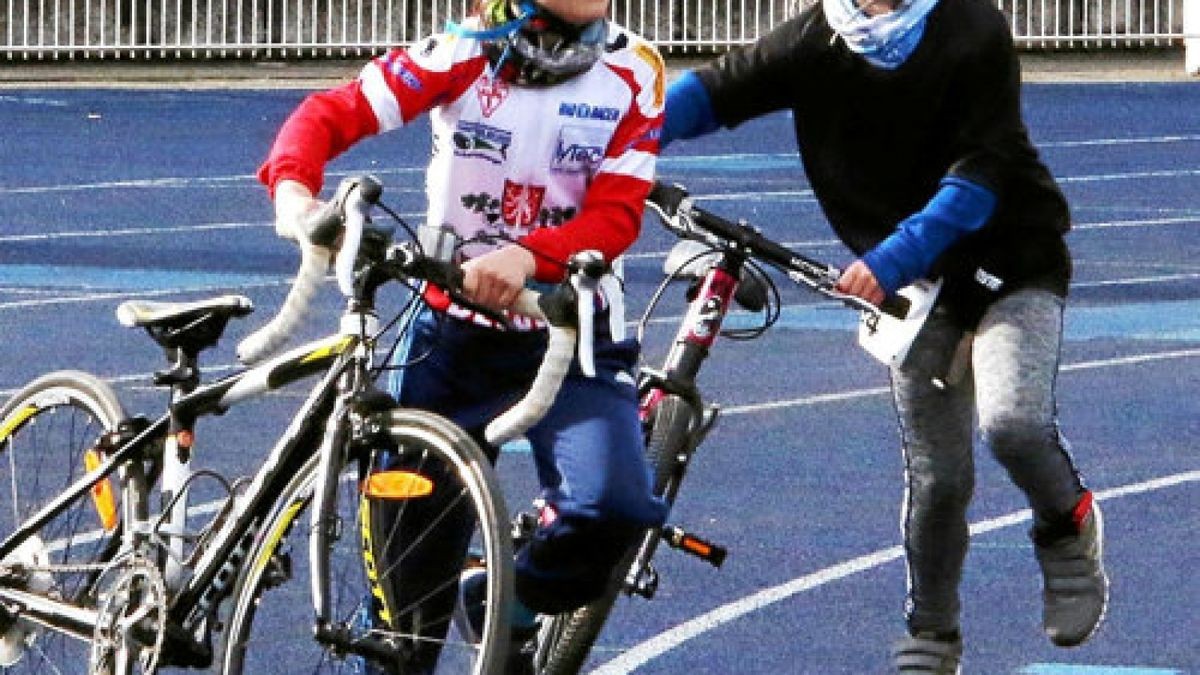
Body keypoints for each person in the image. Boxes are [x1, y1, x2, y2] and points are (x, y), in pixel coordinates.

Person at [660, 0, 1107, 671]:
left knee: (1012, 421)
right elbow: (715, 91)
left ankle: (1065, 524)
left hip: (1012, 262)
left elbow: (981, 178)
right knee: (938, 476)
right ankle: (932, 633)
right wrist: (611, 139)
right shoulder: (816, 39)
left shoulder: (971, 28)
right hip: (919, 293)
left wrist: (890, 258)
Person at [257, 0, 668, 672]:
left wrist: (528, 257)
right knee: (405, 612)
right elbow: (330, 113)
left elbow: (617, 214)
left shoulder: (635, 68)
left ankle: (507, 603)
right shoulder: (461, 51)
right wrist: (295, 194)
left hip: (572, 337)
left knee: (614, 504)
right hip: (448, 344)